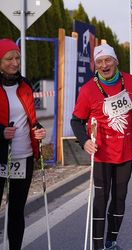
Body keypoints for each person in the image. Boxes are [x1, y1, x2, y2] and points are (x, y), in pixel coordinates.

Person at [71, 43, 132, 250]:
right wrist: (85, 141)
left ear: (115, 61)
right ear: (95, 66)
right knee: (101, 199)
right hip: (101, 154)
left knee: (119, 199)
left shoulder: (130, 82)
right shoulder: (88, 90)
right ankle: (97, 246)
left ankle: (111, 241)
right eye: (99, 62)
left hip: (125, 153)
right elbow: (76, 121)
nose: (104, 65)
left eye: (107, 60)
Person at [0, 38, 46, 250]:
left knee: (17, 211)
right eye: (9, 58)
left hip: (23, 156)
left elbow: (30, 118)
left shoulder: (25, 84)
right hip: (1, 156)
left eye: (17, 57)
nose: (15, 62)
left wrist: (38, 129)